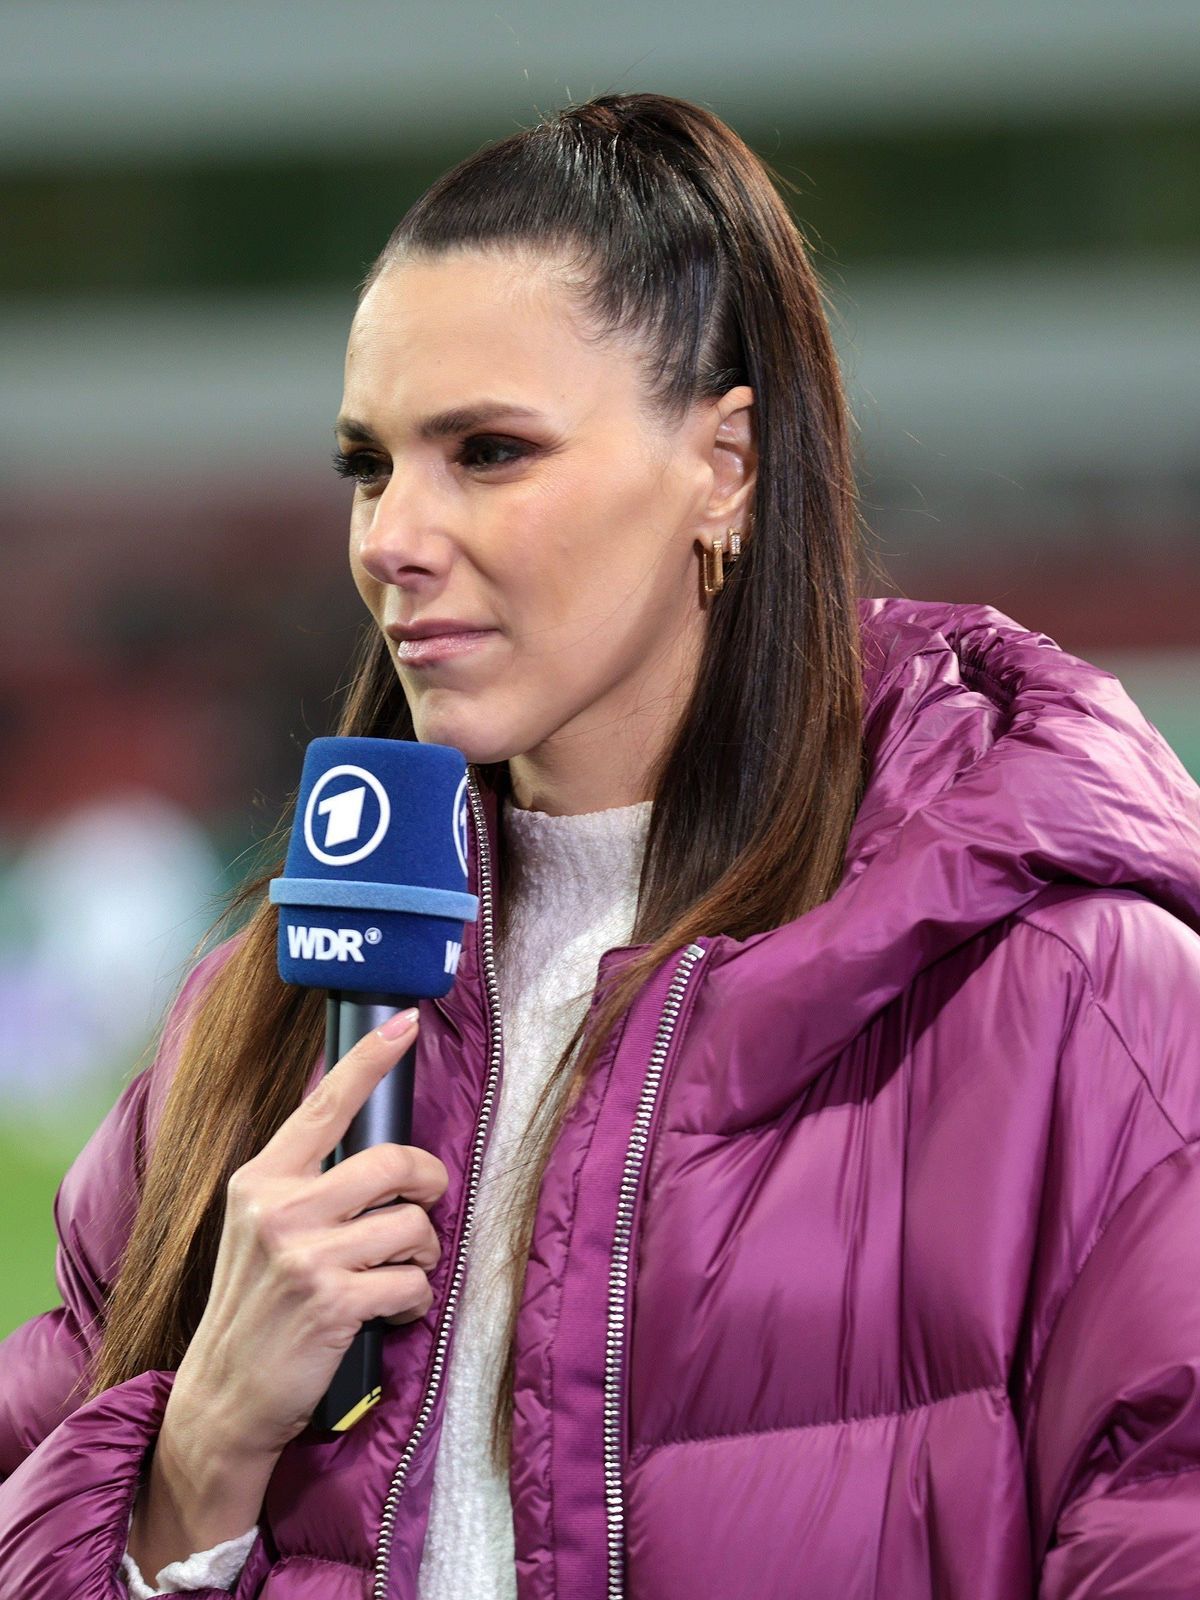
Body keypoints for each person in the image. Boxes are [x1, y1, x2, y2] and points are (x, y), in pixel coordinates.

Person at [1, 91, 1199, 1600]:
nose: (392, 538)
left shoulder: (1080, 996)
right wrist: (191, 1482)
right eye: (368, 466)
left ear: (728, 464)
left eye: (487, 451)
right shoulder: (253, 1028)